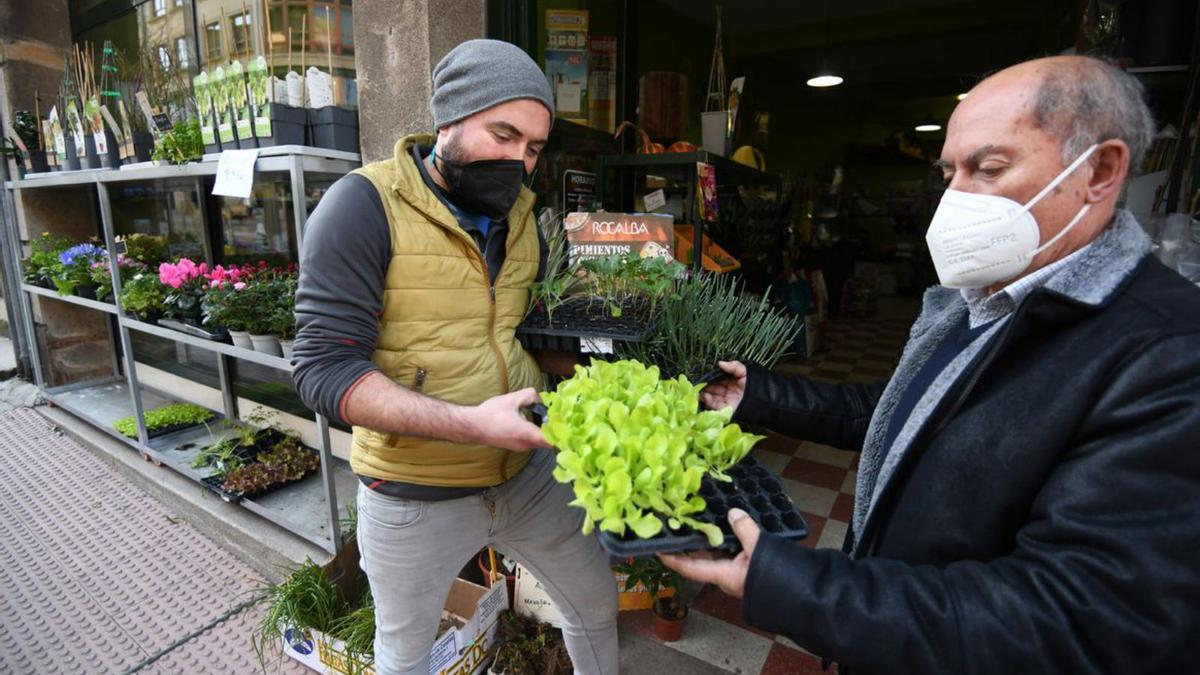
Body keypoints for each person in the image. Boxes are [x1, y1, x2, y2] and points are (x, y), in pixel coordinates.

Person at [662, 55, 1200, 674]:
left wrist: (795, 586)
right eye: (950, 172)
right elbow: (901, 412)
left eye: (988, 168)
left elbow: (1072, 621)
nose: (954, 199)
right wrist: (756, 395)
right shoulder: (989, 298)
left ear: (1100, 172)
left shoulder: (1168, 355)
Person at [292, 39, 617, 675]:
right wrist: (472, 424)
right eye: (503, 134)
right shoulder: (361, 207)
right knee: (405, 655)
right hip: (414, 494)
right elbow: (323, 370)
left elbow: (527, 340)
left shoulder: (526, 218)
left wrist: (627, 362)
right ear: (450, 118)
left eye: (532, 148)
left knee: (596, 608)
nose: (518, 163)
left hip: (528, 476)